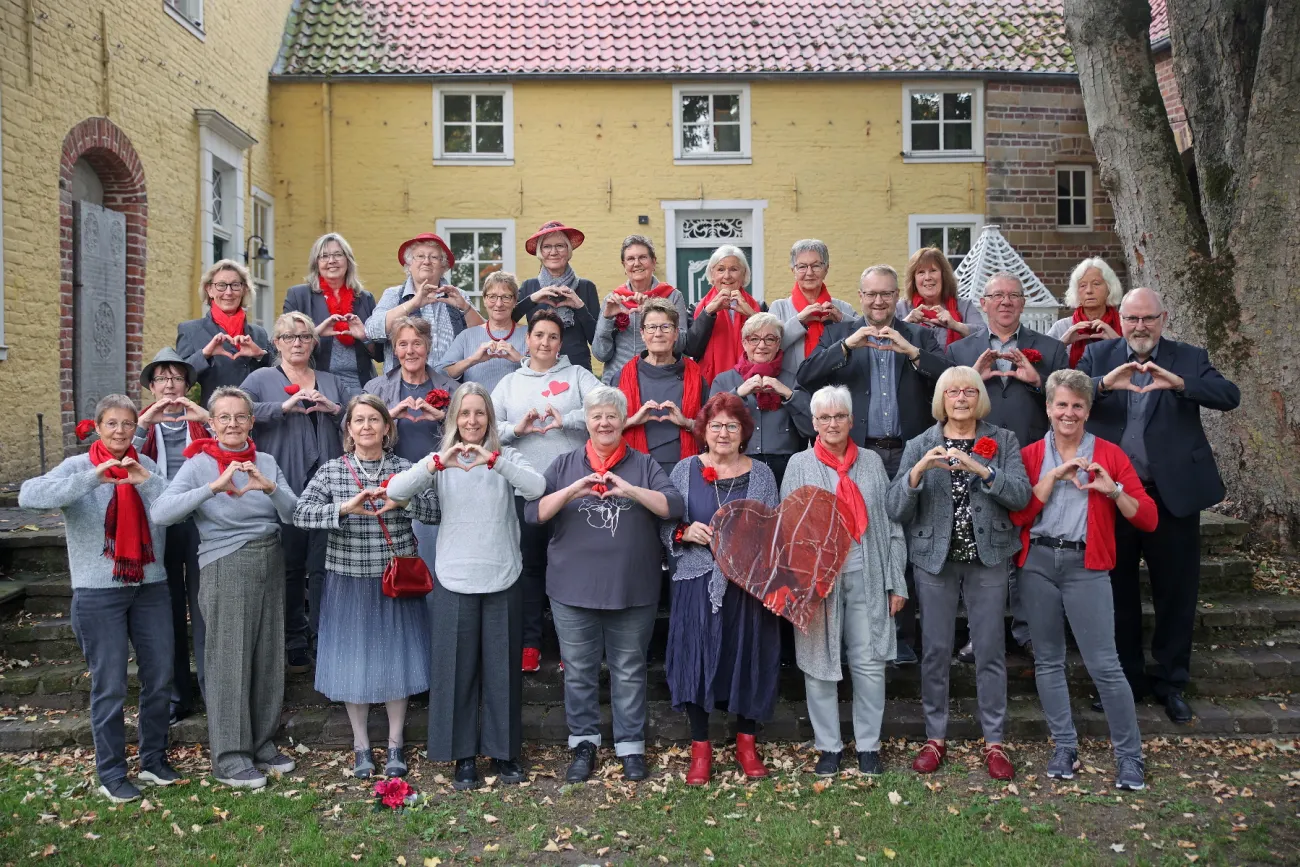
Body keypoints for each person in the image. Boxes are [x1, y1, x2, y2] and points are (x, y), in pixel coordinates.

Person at [1078, 286, 1240, 723]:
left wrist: (1181, 384)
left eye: (1148, 318)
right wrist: (1103, 385)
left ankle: (1171, 683)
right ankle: (1126, 682)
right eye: (1132, 318)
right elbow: (1063, 394)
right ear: (1120, 320)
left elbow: (1229, 395)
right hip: (1113, 495)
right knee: (1117, 593)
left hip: (1172, 495)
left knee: (1176, 593)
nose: (1140, 326)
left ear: (1163, 319)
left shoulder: (1189, 357)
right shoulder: (1099, 355)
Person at [387, 383, 546, 791]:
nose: (472, 421)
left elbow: (536, 488)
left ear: (489, 417)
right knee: (456, 671)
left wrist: (495, 460)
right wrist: (437, 462)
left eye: (479, 413)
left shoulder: (505, 457)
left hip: (502, 574)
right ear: (454, 418)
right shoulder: (440, 462)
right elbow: (395, 491)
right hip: (454, 577)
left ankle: (504, 752)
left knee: (501, 670)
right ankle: (463, 756)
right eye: (465, 413)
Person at [19, 395, 177, 803]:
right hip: (98, 593)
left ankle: (153, 759)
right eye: (112, 423)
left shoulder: (147, 464)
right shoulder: (78, 467)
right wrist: (94, 478)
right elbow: (29, 496)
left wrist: (147, 481)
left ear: (135, 427)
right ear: (98, 427)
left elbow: (176, 508)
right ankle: (111, 772)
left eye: (128, 424)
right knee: (110, 685)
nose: (120, 431)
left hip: (150, 587)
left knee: (160, 677)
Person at [525, 386, 685, 783]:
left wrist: (628, 489)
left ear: (623, 421)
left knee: (629, 668)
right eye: (596, 416)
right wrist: (572, 490)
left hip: (632, 587)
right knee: (579, 670)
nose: (604, 422)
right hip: (572, 588)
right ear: (586, 421)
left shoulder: (643, 464)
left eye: (612, 415)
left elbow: (673, 506)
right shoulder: (565, 464)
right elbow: (533, 513)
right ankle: (584, 742)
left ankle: (630, 745)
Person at [1009, 369, 1157, 791]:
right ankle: (1064, 746)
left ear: (1088, 411)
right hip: (1038, 563)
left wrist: (1113, 491)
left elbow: (1148, 519)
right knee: (1048, 660)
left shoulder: (1109, 454)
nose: (1068, 413)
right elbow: (1017, 516)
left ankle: (1129, 756)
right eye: (1061, 404)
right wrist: (1050, 479)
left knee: (1105, 665)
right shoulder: (1031, 455)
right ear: (1048, 408)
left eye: (1077, 405)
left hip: (1086, 566)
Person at [797, 264, 951, 664]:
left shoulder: (918, 335)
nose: (878, 301)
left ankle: (902, 638)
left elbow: (952, 381)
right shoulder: (838, 333)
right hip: (858, 456)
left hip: (908, 453)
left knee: (906, 540)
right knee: (862, 541)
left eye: (886, 294)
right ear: (860, 296)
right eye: (871, 294)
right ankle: (857, 637)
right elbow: (805, 376)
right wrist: (847, 346)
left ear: (897, 296)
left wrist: (912, 353)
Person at [150, 387, 300, 790]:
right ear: (212, 423)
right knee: (229, 660)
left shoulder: (266, 461)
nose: (233, 424)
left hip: (270, 558)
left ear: (251, 422)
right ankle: (230, 758)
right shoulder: (198, 464)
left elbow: (294, 515)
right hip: (226, 562)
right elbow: (161, 512)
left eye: (240, 416)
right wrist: (212, 488)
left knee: (267, 656)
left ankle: (261, 744)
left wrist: (270, 489)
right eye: (224, 417)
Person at [886, 366, 1031, 780]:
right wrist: (917, 472)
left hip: (988, 557)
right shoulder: (921, 443)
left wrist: (983, 470)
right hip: (935, 560)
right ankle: (935, 738)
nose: (962, 398)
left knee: (989, 650)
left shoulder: (1003, 441)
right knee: (935, 651)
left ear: (980, 397)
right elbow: (895, 507)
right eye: (953, 392)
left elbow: (1021, 496)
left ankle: (994, 741)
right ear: (942, 399)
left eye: (970, 391)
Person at [292, 395, 441, 779]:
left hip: (395, 580)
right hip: (347, 578)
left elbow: (435, 511)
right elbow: (301, 514)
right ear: (349, 429)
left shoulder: (405, 470)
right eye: (358, 420)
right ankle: (361, 745)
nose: (366, 427)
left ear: (387, 427)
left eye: (374, 419)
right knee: (351, 663)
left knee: (397, 659)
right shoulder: (332, 471)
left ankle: (395, 743)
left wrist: (402, 501)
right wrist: (344, 508)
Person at [784, 386, 907, 777]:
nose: (832, 424)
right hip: (818, 585)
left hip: (867, 574)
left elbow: (891, 526)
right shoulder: (799, 464)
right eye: (824, 417)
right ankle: (828, 747)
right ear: (814, 423)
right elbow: (787, 530)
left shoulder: (871, 462)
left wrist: (896, 581)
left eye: (839, 416)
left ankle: (868, 746)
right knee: (818, 664)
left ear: (851, 420)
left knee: (869, 663)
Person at [947, 272, 1069, 661]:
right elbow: (946, 406)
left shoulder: (1051, 350)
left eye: (1013, 295)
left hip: (1033, 459)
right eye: (996, 295)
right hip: (975, 459)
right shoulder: (959, 351)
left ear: (1023, 303)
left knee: (1030, 551)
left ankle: (1029, 631)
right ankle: (981, 634)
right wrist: (973, 382)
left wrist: (1037, 382)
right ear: (982, 303)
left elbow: (1069, 407)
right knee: (979, 548)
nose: (1005, 301)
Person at [661, 393, 782, 785]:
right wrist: (683, 532)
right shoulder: (684, 470)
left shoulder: (762, 475)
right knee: (695, 660)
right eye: (716, 426)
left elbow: (773, 531)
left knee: (748, 657)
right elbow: (666, 524)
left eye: (732, 425)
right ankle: (701, 749)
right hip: (696, 580)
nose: (724, 433)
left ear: (744, 431)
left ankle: (746, 745)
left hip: (746, 585)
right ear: (704, 430)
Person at [491, 310, 602, 672]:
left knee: (573, 567)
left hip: (572, 491)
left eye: (553, 336)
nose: (545, 342)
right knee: (531, 567)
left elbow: (608, 408)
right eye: (539, 335)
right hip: (525, 492)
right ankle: (530, 643)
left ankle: (573, 647)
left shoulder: (578, 376)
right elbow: (487, 429)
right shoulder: (509, 383)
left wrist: (565, 419)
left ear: (560, 343)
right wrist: (516, 430)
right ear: (527, 339)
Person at [240, 312, 347, 673]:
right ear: (277, 343)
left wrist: (334, 409)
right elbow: (237, 412)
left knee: (323, 566)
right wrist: (281, 407)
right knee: (290, 566)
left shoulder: (331, 380)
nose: (297, 342)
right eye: (289, 337)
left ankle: (323, 637)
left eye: (304, 336)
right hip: (285, 483)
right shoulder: (260, 379)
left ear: (315, 342)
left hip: (328, 488)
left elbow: (360, 415)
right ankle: (294, 639)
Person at [133, 348, 210, 725]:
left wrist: (208, 419)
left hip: (200, 522)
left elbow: (230, 449)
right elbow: (121, 460)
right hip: (159, 525)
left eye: (176, 378)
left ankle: (213, 691)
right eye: (161, 378)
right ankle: (178, 696)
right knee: (168, 611)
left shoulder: (201, 421)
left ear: (187, 386)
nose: (169, 385)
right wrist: (142, 425)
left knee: (204, 608)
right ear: (151, 387)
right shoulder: (141, 425)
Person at [364, 316, 458, 573]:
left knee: (433, 562)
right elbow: (353, 430)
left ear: (428, 346)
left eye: (417, 343)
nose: (410, 351)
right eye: (403, 344)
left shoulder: (451, 388)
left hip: (438, 485)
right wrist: (388, 416)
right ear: (394, 350)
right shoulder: (376, 388)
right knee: (396, 567)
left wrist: (442, 416)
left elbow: (470, 433)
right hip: (391, 484)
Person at [708, 312, 812, 486]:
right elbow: (710, 425)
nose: (762, 345)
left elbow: (811, 428)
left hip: (785, 467)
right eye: (754, 339)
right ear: (744, 343)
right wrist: (738, 394)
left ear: (778, 344)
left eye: (770, 339)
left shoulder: (793, 380)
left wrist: (788, 395)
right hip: (736, 463)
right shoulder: (724, 380)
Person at [366, 233, 484, 373]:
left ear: (443, 266)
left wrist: (466, 307)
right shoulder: (394, 294)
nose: (426, 261)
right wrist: (413, 303)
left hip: (451, 383)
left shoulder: (458, 295)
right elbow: (372, 331)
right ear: (409, 265)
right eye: (420, 256)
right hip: (403, 384)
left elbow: (483, 335)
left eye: (434, 257)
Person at [282, 232, 381, 393]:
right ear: (316, 263)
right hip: (315, 386)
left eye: (338, 255)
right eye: (324, 256)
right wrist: (315, 333)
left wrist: (365, 337)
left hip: (360, 386)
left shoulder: (365, 298)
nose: (331, 261)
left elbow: (380, 354)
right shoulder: (299, 296)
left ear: (348, 260)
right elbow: (283, 345)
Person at [619, 299, 710, 475]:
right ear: (642, 333)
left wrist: (687, 423)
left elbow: (713, 428)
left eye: (666, 327)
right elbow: (604, 428)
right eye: (651, 327)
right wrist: (631, 421)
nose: (658, 333)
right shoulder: (622, 377)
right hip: (634, 469)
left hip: (686, 468)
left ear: (676, 333)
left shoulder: (696, 377)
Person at [591, 235, 688, 385]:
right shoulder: (613, 299)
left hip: (659, 380)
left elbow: (681, 345)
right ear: (624, 265)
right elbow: (601, 354)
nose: (636, 263)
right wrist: (607, 320)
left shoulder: (672, 296)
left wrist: (653, 313)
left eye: (643, 257)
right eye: (630, 259)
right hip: (618, 382)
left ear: (653, 262)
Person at [177, 260, 272, 407]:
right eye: (221, 285)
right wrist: (204, 354)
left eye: (235, 285)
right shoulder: (191, 330)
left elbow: (279, 374)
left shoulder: (259, 333)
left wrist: (260, 355)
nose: (228, 292)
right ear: (209, 290)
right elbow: (177, 378)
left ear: (244, 290)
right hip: (214, 416)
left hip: (256, 415)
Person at [512, 221, 599, 371]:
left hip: (578, 369)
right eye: (547, 246)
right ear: (540, 252)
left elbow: (596, 341)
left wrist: (580, 307)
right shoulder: (529, 286)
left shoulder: (586, 287)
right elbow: (506, 322)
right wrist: (533, 299)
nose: (553, 252)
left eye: (560, 246)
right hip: (540, 369)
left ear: (568, 250)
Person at [765, 239, 856, 378]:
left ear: (826, 269)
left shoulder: (843, 309)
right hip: (790, 388)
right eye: (802, 266)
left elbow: (864, 342)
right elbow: (767, 348)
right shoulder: (779, 308)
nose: (809, 272)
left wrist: (842, 319)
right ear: (793, 271)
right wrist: (798, 321)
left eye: (816, 266)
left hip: (835, 388)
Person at [438, 271, 527, 394]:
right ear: (484, 300)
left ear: (515, 301)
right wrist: (473, 360)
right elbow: (440, 373)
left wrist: (520, 359)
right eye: (492, 297)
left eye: (506, 297)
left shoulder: (530, 335)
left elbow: (548, 370)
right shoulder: (467, 336)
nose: (499, 304)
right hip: (477, 405)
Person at [684, 245, 761, 384]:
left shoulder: (759, 307)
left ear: (744, 274)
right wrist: (708, 313)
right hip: (710, 385)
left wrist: (751, 315)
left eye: (734, 269)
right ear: (712, 275)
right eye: (720, 269)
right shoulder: (696, 309)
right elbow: (692, 349)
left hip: (753, 381)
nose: (727, 276)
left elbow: (770, 344)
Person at [895, 247, 984, 347]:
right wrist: (906, 323)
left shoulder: (964, 306)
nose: (927, 277)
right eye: (921, 272)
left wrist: (955, 325)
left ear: (944, 275)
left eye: (933, 270)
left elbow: (984, 335)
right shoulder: (900, 308)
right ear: (913, 279)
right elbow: (885, 341)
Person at [1047, 258, 1124, 369]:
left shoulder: (1126, 324)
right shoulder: (1061, 327)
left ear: (1110, 288)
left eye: (1096, 284)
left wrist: (1118, 343)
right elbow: (1042, 366)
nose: (1089, 290)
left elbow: (1140, 365)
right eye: (1082, 285)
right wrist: (1062, 343)